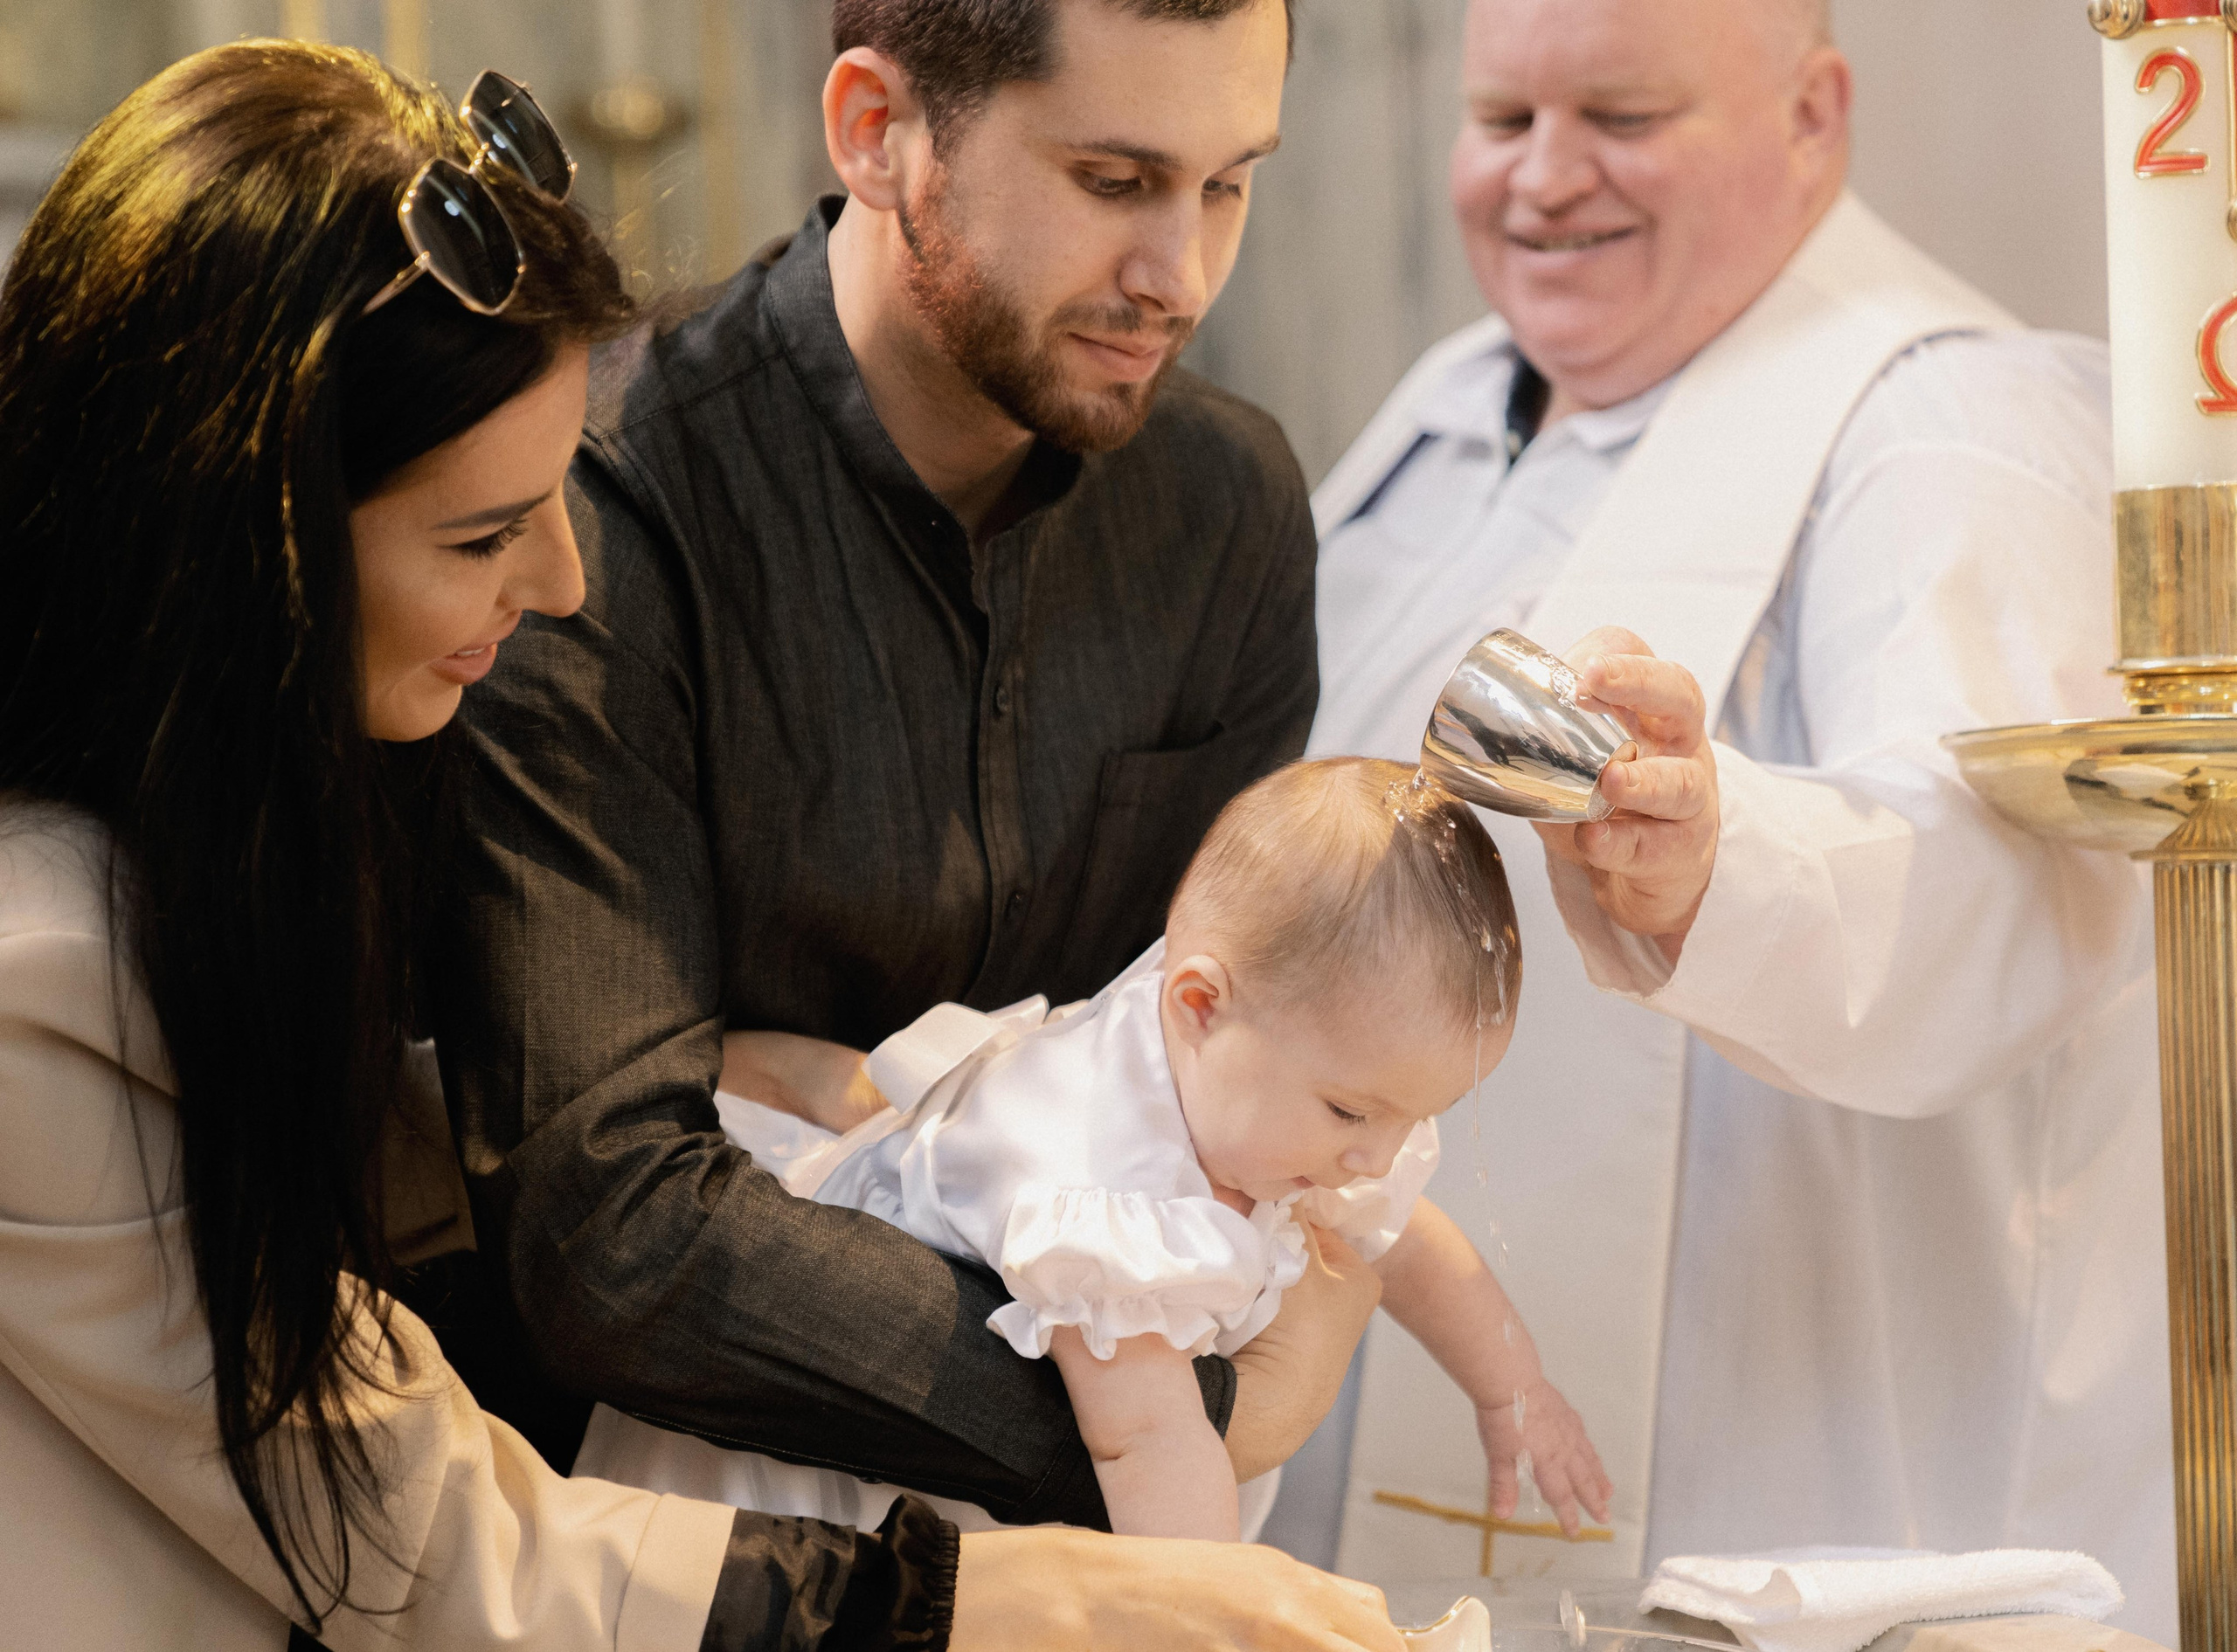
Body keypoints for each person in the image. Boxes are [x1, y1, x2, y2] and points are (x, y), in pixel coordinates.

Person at [0, 38, 1404, 1652]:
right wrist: (1056, 1538)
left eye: (1230, 184)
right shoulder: (46, 972)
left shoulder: (1225, 509)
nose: (562, 585)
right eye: (482, 534)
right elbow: (431, 1518)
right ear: (246, 546)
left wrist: (748, 1096)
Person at [433, 0, 1385, 1576]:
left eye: (1226, 184)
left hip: (1102, 1564)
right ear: (879, 130)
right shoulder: (599, 501)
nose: (1185, 276)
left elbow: (1233, 1104)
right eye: (1112, 179)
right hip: (659, 1566)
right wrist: (1175, 1413)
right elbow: (614, 1239)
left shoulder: (1230, 514)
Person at [1299, 0, 2174, 1638]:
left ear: (1814, 116)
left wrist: (1709, 863)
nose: (1545, 180)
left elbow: (2003, 897)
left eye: (1621, 116)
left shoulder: (1955, 428)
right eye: (1502, 121)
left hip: (1801, 1460)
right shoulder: (1449, 405)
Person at [577, 759, 1610, 1547]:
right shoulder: (1105, 1182)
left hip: (1003, 1468)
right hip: (817, 1469)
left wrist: (1513, 1390)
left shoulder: (1262, 1076)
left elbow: (1412, 1245)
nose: (1375, 1157)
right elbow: (1146, 1442)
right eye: (1350, 1112)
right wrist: (1214, 1620)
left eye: (1411, 1117)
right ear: (1199, 1005)